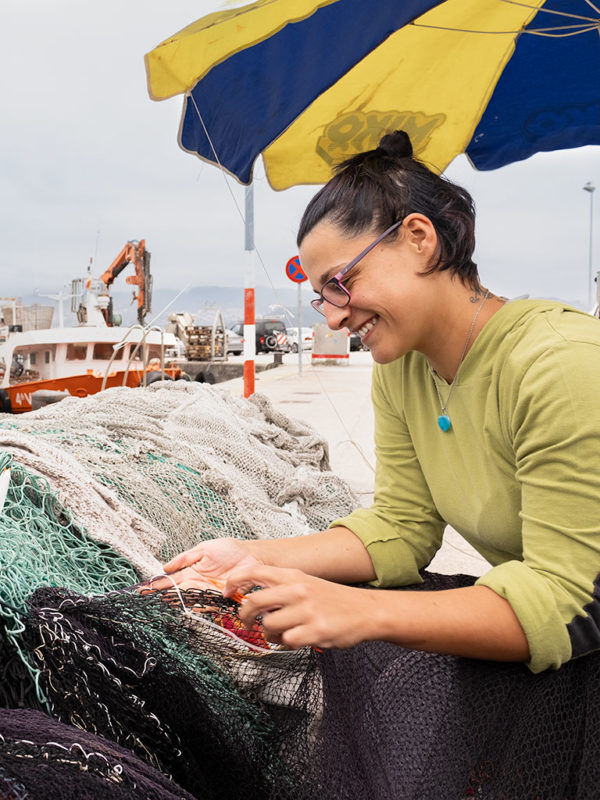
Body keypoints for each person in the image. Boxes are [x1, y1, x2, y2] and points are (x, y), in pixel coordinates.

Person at [161, 129, 600, 678]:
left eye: (340, 282)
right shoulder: (404, 368)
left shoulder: (560, 364)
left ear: (419, 238)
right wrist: (250, 557)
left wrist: (358, 610)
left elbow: (575, 603)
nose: (333, 318)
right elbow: (403, 524)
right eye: (322, 296)